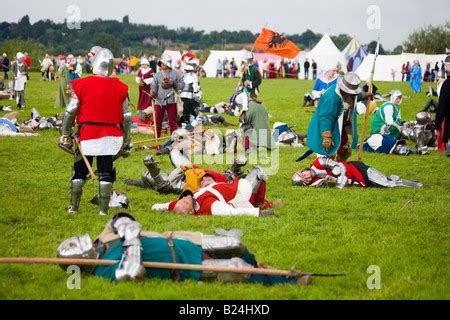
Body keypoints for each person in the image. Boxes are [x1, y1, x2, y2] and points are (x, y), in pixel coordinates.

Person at [57, 213, 310, 285]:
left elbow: (123, 219)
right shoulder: (103, 271)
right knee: (238, 268)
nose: (92, 243)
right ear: (84, 258)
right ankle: (288, 281)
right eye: (86, 246)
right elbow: (134, 273)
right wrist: (131, 250)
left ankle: (260, 267)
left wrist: (129, 238)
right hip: (185, 266)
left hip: (182, 242)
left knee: (236, 244)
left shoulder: (105, 240)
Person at [58, 48, 132, 216]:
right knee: (106, 172)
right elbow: (126, 117)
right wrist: (127, 140)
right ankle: (103, 211)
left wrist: (65, 134)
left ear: (95, 65)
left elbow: (70, 111)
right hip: (110, 137)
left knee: (79, 172)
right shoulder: (120, 86)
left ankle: (73, 208)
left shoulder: (83, 83)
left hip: (87, 135)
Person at [152, 165, 274, 217]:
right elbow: (231, 212)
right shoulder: (207, 205)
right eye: (184, 202)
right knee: (258, 172)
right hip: (241, 193)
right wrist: (257, 213)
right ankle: (259, 203)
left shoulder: (185, 200)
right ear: (191, 211)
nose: (183, 198)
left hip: (234, 183)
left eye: (182, 199)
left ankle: (260, 201)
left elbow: (159, 206)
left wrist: (156, 207)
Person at [306, 72, 364, 160]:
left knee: (344, 150)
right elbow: (326, 117)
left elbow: (353, 97)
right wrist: (326, 136)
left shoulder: (348, 94)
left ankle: (339, 169)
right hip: (325, 127)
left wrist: (364, 95)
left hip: (338, 125)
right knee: (326, 156)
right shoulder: (331, 97)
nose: (352, 94)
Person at [292, 157, 423, 188]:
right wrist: (339, 181)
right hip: (355, 181)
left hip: (357, 169)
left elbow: (339, 166)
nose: (307, 176)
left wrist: (341, 177)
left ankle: (416, 185)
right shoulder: (315, 182)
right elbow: (332, 182)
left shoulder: (318, 162)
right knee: (382, 184)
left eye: (304, 175)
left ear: (303, 170)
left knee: (387, 184)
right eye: (306, 180)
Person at [150, 54, 185, 138]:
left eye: (163, 63)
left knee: (172, 121)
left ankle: (173, 138)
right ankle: (156, 137)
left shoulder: (175, 74)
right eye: (161, 63)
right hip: (159, 101)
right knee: (158, 121)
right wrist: (153, 93)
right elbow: (153, 86)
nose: (162, 64)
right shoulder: (157, 75)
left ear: (168, 64)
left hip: (171, 100)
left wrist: (174, 84)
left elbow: (182, 85)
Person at [179, 54, 202, 127]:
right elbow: (195, 87)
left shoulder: (182, 75)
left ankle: (185, 125)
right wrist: (198, 96)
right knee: (195, 113)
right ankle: (192, 125)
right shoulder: (193, 76)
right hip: (189, 96)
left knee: (186, 111)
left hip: (183, 96)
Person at [435, 55, 450, 157]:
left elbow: (442, 108)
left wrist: (437, 124)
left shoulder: (447, 84)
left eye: (446, 65)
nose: (445, 67)